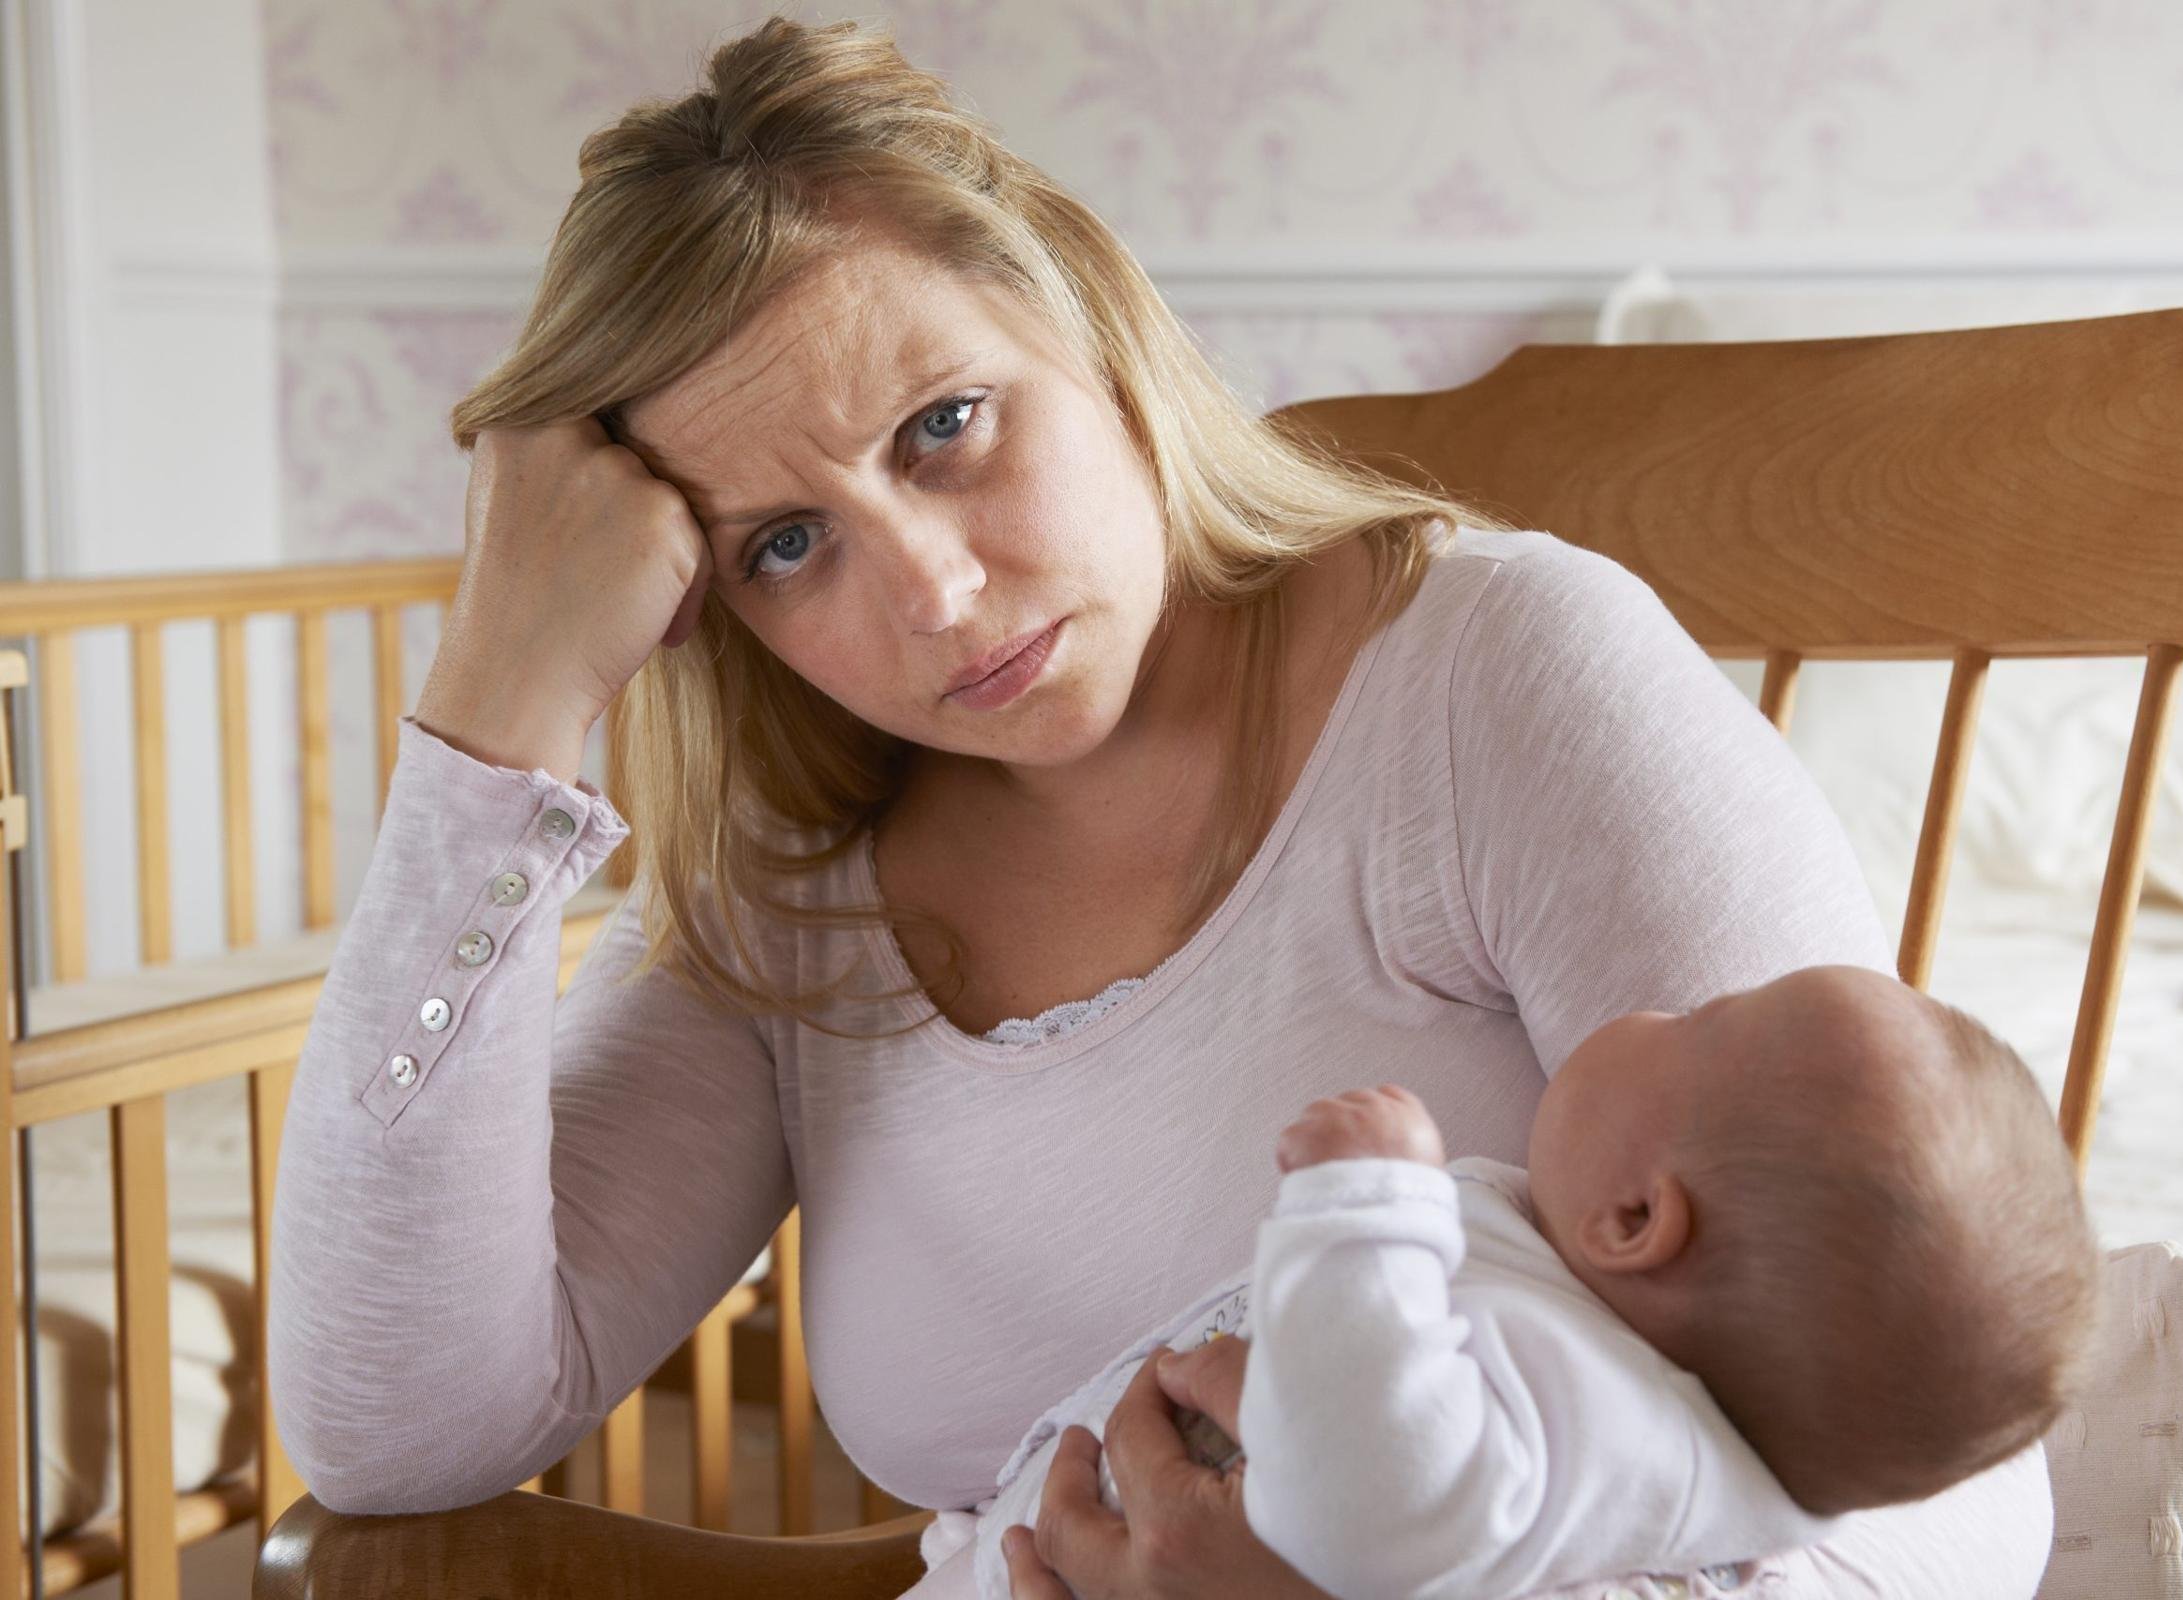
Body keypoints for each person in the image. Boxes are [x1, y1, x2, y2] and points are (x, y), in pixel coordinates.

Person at [265, 16, 2060, 1599]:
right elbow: (396, 1427)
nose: (933, 598)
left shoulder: (1504, 679)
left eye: (946, 424)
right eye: (782, 546)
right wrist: (498, 710)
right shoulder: (788, 885)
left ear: (1095, 320)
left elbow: (1953, 1513)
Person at [915, 970, 2102, 1600]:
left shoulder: (1587, 1408)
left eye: (1697, 1019)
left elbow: (1360, 1499)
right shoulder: (1612, 1377)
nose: (1649, 1003)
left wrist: (1364, 1207)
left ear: (1637, 1219)